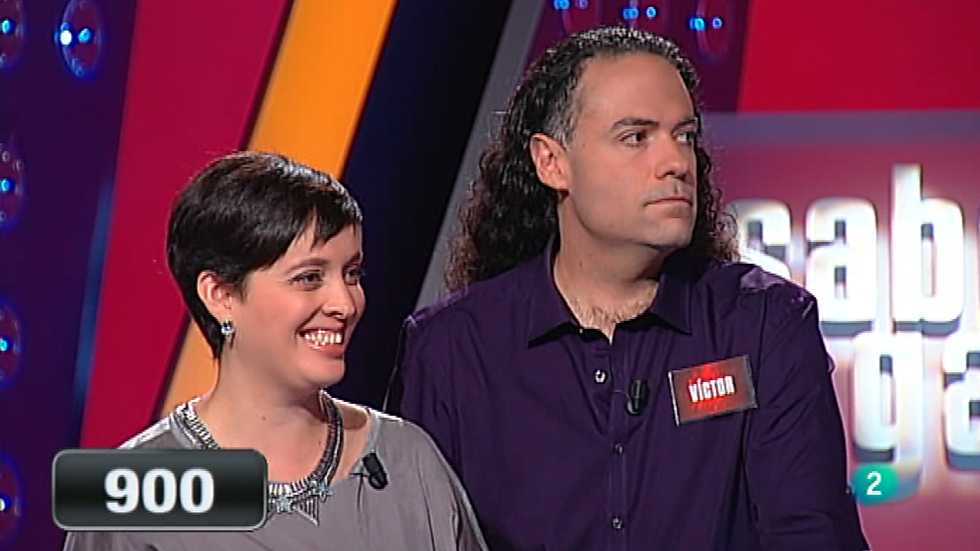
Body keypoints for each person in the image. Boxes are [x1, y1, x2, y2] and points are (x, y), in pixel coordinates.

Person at [386, 27, 869, 550]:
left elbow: (811, 535)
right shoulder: (451, 349)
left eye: (685, 136)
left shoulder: (766, 325)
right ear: (552, 162)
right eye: (636, 137)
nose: (677, 162)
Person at [64, 152, 487, 550]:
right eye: (309, 277)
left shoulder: (408, 460)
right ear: (220, 295)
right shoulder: (132, 494)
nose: (345, 303)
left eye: (352, 273)